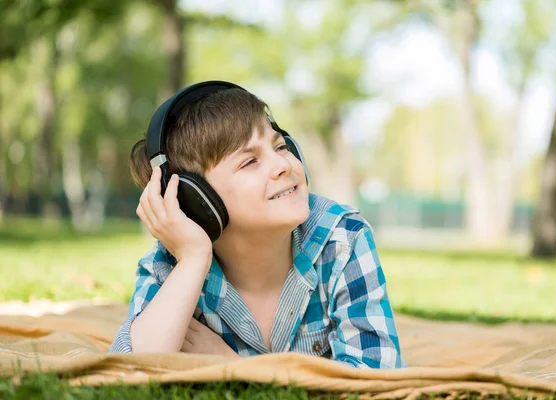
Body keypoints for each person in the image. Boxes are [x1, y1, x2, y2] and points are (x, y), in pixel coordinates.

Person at [108, 81, 406, 369]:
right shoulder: (173, 264)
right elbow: (132, 370)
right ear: (197, 200)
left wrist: (236, 366)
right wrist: (194, 258)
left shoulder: (342, 239)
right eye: (249, 162)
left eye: (280, 147)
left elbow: (375, 376)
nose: (283, 165)